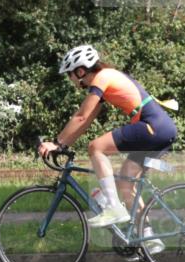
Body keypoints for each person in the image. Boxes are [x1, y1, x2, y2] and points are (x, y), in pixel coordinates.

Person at [37, 45, 177, 249]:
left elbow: (81, 116)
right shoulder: (105, 80)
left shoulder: (102, 77)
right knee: (126, 184)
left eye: (70, 75)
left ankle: (112, 207)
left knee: (96, 147)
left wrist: (56, 144)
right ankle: (150, 237)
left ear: (80, 71)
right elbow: (85, 121)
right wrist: (63, 144)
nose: (70, 80)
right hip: (161, 129)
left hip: (151, 126)